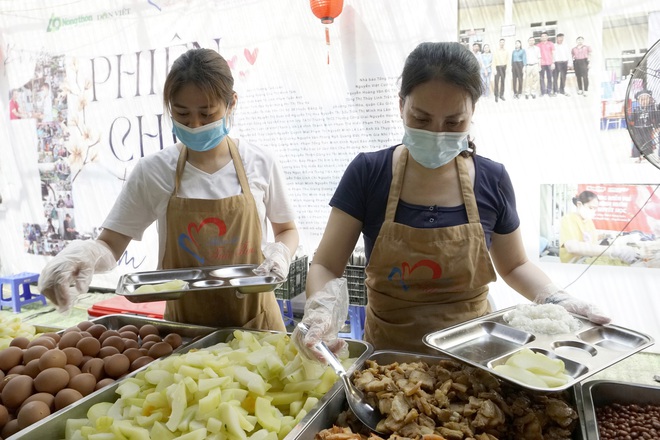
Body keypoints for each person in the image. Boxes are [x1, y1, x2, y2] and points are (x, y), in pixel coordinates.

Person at [293, 42, 610, 356]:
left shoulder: (492, 178)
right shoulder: (368, 172)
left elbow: (514, 264)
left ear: (473, 112)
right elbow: (326, 264)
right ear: (401, 105)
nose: (437, 133)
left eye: (454, 123)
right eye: (421, 119)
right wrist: (320, 313)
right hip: (388, 359)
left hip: (473, 355)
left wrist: (557, 299)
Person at [38, 48, 299, 331]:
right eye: (183, 114)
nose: (195, 125)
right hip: (185, 332)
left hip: (258, 324)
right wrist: (81, 256)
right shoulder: (153, 171)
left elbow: (286, 229)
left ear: (231, 104)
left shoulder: (259, 162)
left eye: (207, 113)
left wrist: (281, 253)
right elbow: (111, 245)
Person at [559, 191, 639, 265]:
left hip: (587, 257)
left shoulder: (588, 221)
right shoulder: (569, 219)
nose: (593, 211)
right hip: (573, 263)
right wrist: (614, 251)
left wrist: (606, 236)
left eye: (595, 208)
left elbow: (590, 237)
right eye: (590, 208)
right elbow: (572, 247)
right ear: (579, 204)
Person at [629, 89, 660, 162]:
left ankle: (646, 156)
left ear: (649, 100)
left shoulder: (652, 109)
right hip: (638, 130)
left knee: (647, 142)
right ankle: (638, 157)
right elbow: (631, 119)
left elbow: (656, 119)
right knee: (638, 143)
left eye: (646, 99)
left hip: (648, 129)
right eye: (641, 100)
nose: (644, 101)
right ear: (638, 101)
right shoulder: (636, 110)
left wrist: (657, 127)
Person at [536, 32, 555, 97]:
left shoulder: (551, 44)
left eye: (545, 36)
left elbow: (553, 53)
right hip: (541, 64)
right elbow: (537, 56)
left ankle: (549, 91)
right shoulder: (538, 45)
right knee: (541, 78)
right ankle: (543, 91)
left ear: (547, 37)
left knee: (549, 77)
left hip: (549, 63)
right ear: (540, 38)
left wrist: (553, 63)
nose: (543, 37)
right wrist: (538, 64)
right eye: (542, 36)